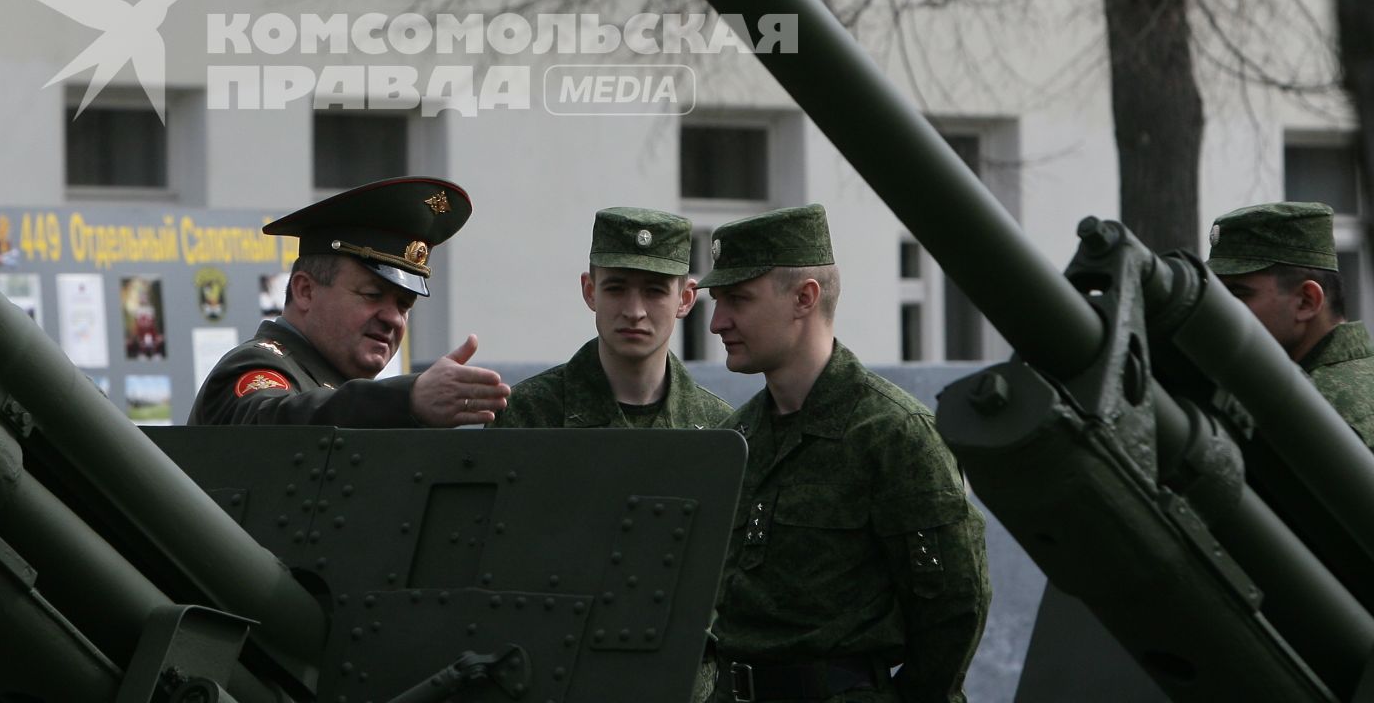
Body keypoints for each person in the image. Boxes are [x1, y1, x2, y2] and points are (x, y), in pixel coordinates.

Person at [701, 204, 988, 703]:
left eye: (737, 300)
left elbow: (956, 603)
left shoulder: (892, 433)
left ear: (804, 298)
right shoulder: (737, 435)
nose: (717, 322)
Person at [188, 176, 510, 426]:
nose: (394, 319)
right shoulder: (256, 367)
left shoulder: (338, 388)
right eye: (372, 294)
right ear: (305, 291)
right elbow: (276, 423)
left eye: (404, 305)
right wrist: (407, 399)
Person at [495, 206, 736, 430]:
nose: (634, 312)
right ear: (590, 292)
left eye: (654, 291)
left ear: (684, 299)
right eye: (616, 289)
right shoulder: (527, 415)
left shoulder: (719, 426)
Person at [1209, 200, 1374, 446]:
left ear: (1306, 302)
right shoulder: (1295, 391)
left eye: (1238, 294)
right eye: (1216, 294)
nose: (1220, 309)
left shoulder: (1331, 412)